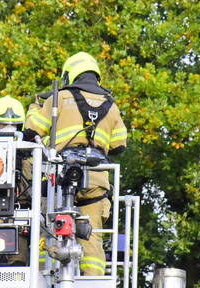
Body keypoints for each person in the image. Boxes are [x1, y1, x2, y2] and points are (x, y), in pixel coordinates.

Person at [23, 52, 127, 276]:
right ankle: (93, 284)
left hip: (59, 178)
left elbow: (32, 131)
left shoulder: (58, 97)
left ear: (70, 75)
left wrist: (34, 107)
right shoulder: (112, 105)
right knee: (91, 236)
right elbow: (119, 146)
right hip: (96, 178)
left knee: (48, 228)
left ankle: (43, 277)